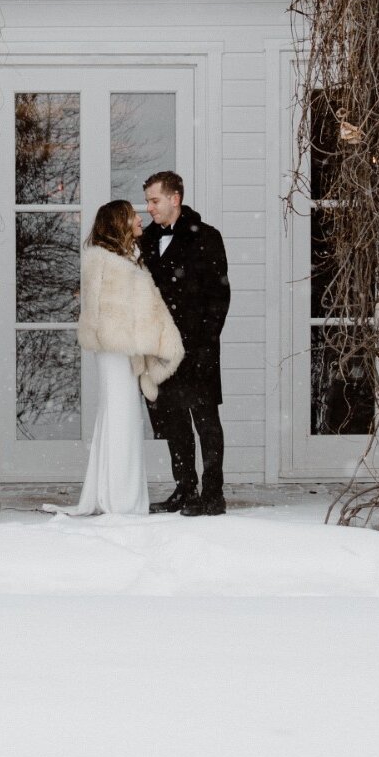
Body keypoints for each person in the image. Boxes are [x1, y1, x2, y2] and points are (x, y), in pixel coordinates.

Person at [49, 199, 184, 517]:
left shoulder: (126, 257)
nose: (140, 219)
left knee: (122, 419)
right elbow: (103, 313)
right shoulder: (105, 260)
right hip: (116, 350)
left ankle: (116, 494)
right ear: (119, 223)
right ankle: (120, 500)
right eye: (133, 215)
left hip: (125, 348)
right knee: (121, 419)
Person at [138, 170, 231, 515]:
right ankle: (185, 488)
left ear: (175, 198)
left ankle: (213, 494)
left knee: (205, 420)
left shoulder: (206, 237)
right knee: (173, 422)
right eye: (148, 201)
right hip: (160, 350)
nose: (149, 208)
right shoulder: (145, 241)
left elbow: (219, 295)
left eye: (154, 200)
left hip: (198, 347)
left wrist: (206, 341)